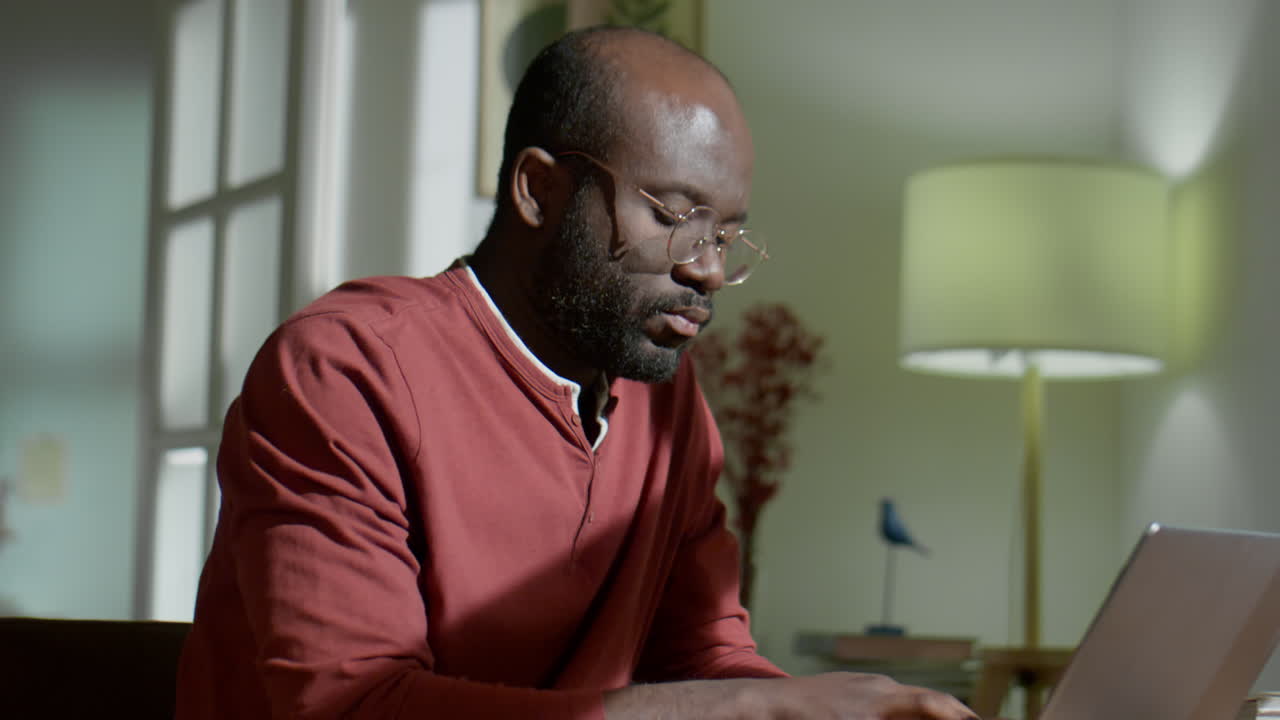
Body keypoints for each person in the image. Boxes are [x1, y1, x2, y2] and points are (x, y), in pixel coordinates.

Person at [176, 26, 979, 720]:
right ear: (539, 190)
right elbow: (353, 709)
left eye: (727, 235)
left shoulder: (668, 398)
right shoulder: (345, 370)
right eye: (672, 217)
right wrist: (755, 704)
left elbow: (704, 658)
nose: (706, 269)